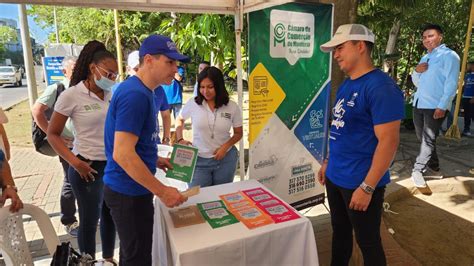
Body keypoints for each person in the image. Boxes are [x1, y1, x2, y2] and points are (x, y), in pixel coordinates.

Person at [318, 24, 404, 265]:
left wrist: (367, 187)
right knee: (340, 235)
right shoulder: (347, 84)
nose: (335, 54)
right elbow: (340, 129)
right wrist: (327, 162)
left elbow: (389, 141)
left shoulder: (381, 87)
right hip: (335, 177)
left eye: (340, 48)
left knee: (368, 243)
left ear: (360, 46)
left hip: (360, 182)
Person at [103, 34, 188, 265]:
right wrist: (162, 191)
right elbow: (122, 153)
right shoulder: (136, 94)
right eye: (169, 62)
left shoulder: (143, 90)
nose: (175, 69)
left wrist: (154, 158)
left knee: (134, 254)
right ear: (149, 60)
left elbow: (131, 144)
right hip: (128, 192)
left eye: (176, 63)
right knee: (137, 259)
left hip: (129, 188)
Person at [47, 40, 117, 261]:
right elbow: (53, 134)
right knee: (89, 221)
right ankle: (87, 262)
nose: (112, 78)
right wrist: (75, 163)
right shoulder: (72, 95)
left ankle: (106, 260)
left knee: (110, 217)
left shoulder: (109, 95)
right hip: (86, 167)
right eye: (109, 73)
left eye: (115, 75)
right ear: (92, 68)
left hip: (111, 166)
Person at [31, 56, 79, 236]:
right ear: (64, 71)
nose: (78, 70)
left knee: (87, 179)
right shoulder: (57, 88)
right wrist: (53, 135)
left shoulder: (82, 89)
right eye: (74, 68)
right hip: (66, 145)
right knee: (70, 180)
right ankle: (69, 220)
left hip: (84, 144)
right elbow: (36, 110)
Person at [176, 66, 243, 188]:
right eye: (202, 87)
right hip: (198, 161)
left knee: (221, 196)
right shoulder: (193, 103)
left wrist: (225, 147)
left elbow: (238, 133)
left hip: (225, 160)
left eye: (210, 87)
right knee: (198, 198)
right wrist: (180, 139)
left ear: (219, 86)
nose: (205, 91)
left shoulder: (232, 106)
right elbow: (179, 119)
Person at [410, 24, 460, 187]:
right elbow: (417, 83)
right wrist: (416, 71)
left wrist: (443, 105)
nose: (427, 40)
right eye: (424, 37)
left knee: (428, 139)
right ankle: (435, 168)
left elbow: (452, 83)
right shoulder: (425, 57)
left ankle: (418, 170)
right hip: (419, 103)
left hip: (435, 105)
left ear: (440, 36)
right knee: (422, 138)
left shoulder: (450, 56)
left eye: (430, 36)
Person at [114, 51, 172, 144]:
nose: (140, 73)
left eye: (143, 68)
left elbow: (166, 115)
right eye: (136, 69)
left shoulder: (158, 89)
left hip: (153, 144)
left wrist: (166, 138)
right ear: (128, 70)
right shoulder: (120, 90)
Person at [461, 62, 474, 136]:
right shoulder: (467, 75)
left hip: (472, 98)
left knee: (472, 114)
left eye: (469, 65)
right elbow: (465, 85)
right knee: (467, 115)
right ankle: (466, 130)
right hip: (465, 97)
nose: (467, 67)